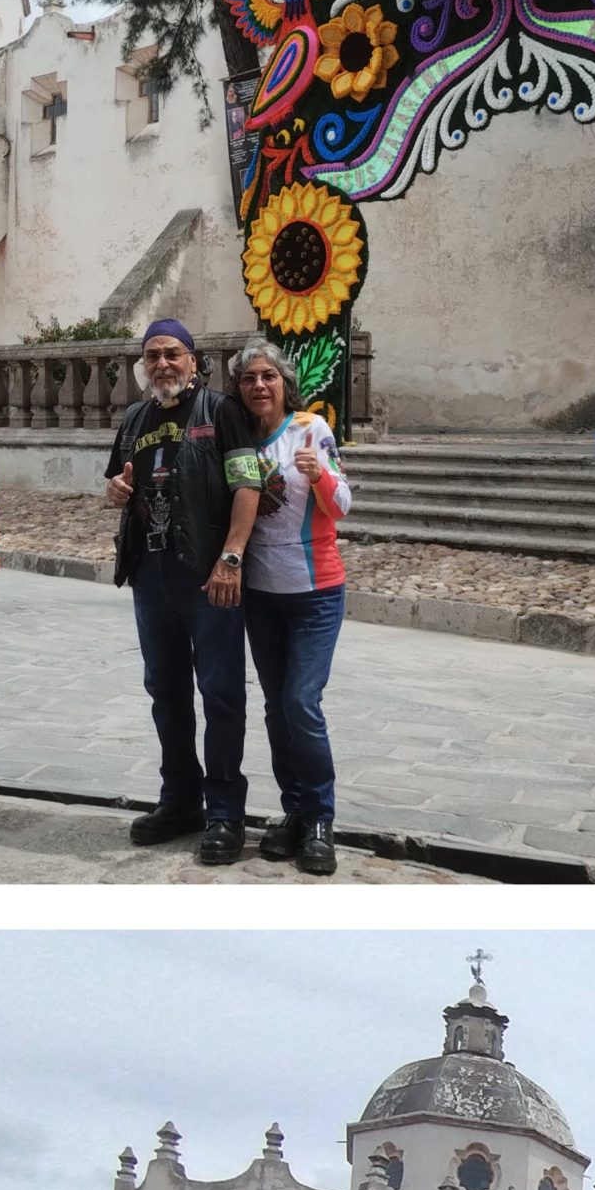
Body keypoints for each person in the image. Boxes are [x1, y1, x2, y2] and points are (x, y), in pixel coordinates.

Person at [106, 320, 264, 864]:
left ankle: (225, 812)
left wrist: (231, 557)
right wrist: (114, 490)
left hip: (208, 577)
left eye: (173, 354)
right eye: (152, 356)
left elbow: (247, 485)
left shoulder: (221, 412)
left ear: (195, 361)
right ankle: (179, 800)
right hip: (152, 579)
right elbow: (116, 484)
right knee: (165, 693)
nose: (162, 364)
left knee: (221, 695)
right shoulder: (133, 419)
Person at [230, 341, 351, 879]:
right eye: (249, 378)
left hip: (315, 592)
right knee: (277, 709)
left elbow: (342, 505)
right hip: (261, 594)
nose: (259, 386)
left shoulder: (310, 430)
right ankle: (295, 812)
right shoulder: (238, 437)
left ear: (284, 382)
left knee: (302, 702)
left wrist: (320, 474)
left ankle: (321, 819)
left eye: (268, 377)